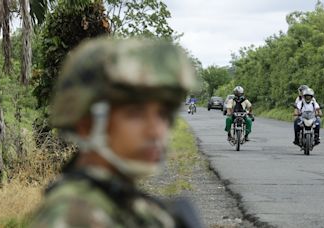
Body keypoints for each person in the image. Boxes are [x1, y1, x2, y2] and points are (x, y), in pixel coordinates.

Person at [30, 38, 202, 227]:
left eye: (162, 114)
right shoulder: (75, 216)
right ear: (87, 125)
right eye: (135, 114)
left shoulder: (120, 201)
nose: (156, 132)